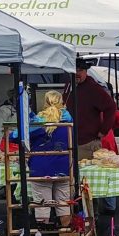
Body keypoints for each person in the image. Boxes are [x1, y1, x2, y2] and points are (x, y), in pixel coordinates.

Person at [67, 58, 118, 213]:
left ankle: (91, 215)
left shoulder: (92, 88)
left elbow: (111, 107)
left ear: (86, 72)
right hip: (70, 140)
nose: (77, 73)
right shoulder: (69, 86)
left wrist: (104, 130)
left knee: (87, 182)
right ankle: (78, 212)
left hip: (87, 142)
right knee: (73, 180)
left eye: (80, 71)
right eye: (74, 70)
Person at [27, 91, 73, 228]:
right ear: (62, 103)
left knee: (42, 205)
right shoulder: (68, 122)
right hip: (63, 168)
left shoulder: (37, 122)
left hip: (40, 169)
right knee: (64, 205)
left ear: (45, 103)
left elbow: (15, 136)